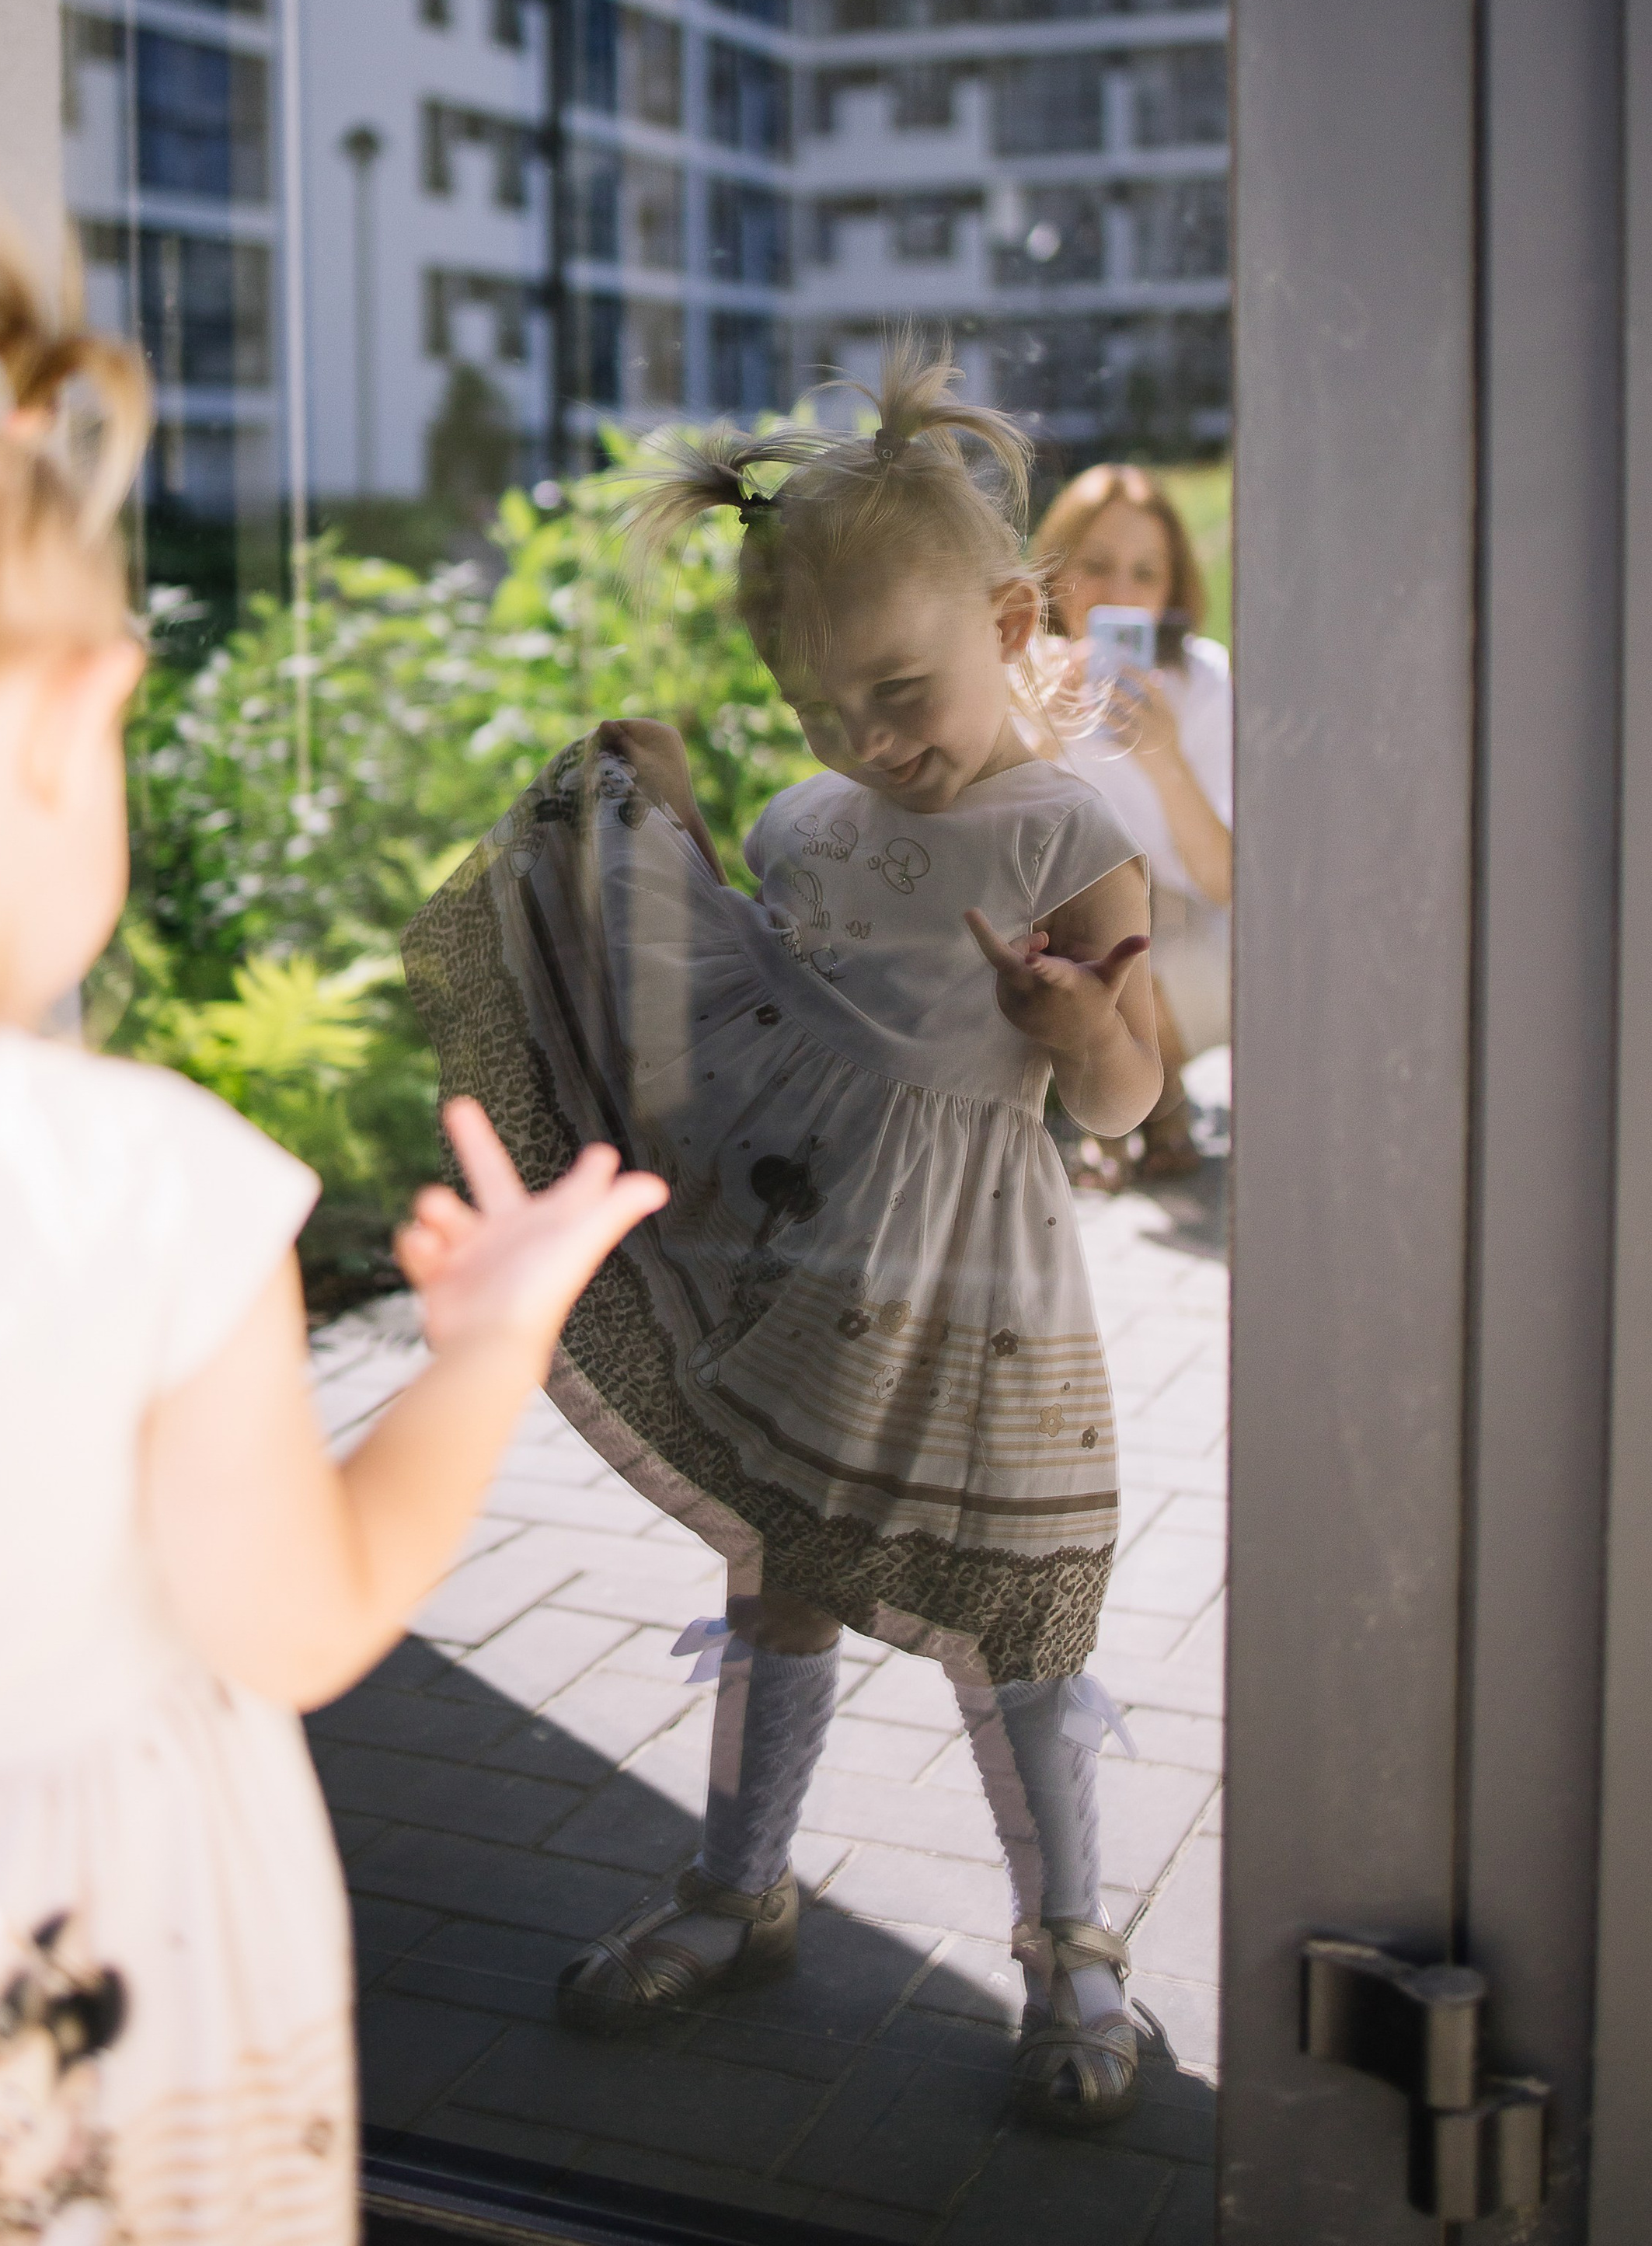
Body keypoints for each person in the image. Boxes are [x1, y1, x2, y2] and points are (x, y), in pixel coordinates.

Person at [0, 267, 663, 2243]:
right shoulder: (135, 1186)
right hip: (74, 2018)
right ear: (62, 726)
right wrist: (480, 1346)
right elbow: (299, 1621)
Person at [404, 350, 1162, 2131]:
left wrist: (1071, 1028)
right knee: (783, 1574)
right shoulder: (807, 823)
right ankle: (735, 1886)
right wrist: (657, 839)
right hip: (816, 1276)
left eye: (896, 691)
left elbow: (1126, 1099)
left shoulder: (1065, 825)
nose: (865, 743)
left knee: (1020, 1612)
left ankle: (1065, 1937)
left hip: (984, 1289)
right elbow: (756, 1022)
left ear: (1010, 616)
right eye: (819, 709)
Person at [1030, 462, 1232, 1181]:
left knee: (1225, 948)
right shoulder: (1021, 673)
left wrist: (1166, 759)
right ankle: (1150, 1100)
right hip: (1058, 923)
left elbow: (1228, 880)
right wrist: (1041, 737)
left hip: (1169, 930)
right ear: (1056, 573)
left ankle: (1131, 1097)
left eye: (1144, 574)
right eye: (1097, 566)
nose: (1119, 594)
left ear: (1172, 590)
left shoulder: (1203, 683)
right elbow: (988, 847)